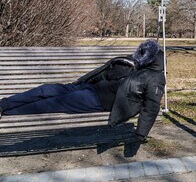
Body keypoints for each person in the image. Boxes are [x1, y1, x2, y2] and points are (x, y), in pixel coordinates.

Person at [0, 40, 165, 142]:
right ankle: (4, 104)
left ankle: (7, 113)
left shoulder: (154, 77)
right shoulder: (131, 63)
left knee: (51, 103)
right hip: (88, 87)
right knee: (46, 89)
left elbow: (152, 105)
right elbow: (101, 71)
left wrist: (141, 133)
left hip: (99, 100)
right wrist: (80, 82)